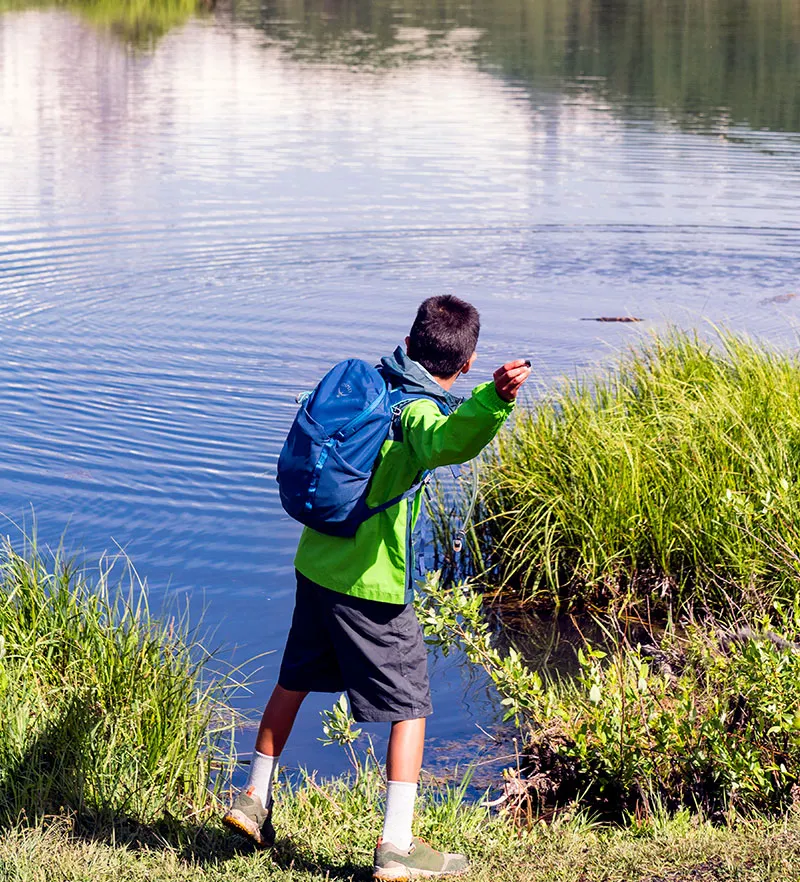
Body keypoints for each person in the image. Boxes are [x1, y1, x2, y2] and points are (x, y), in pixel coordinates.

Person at [223, 295, 530, 879]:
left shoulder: (366, 386)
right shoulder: (414, 413)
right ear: (465, 365)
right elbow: (446, 441)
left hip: (315, 564)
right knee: (411, 704)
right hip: (370, 584)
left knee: (293, 681)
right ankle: (397, 845)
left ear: (409, 341)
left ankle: (254, 800)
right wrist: (496, 399)